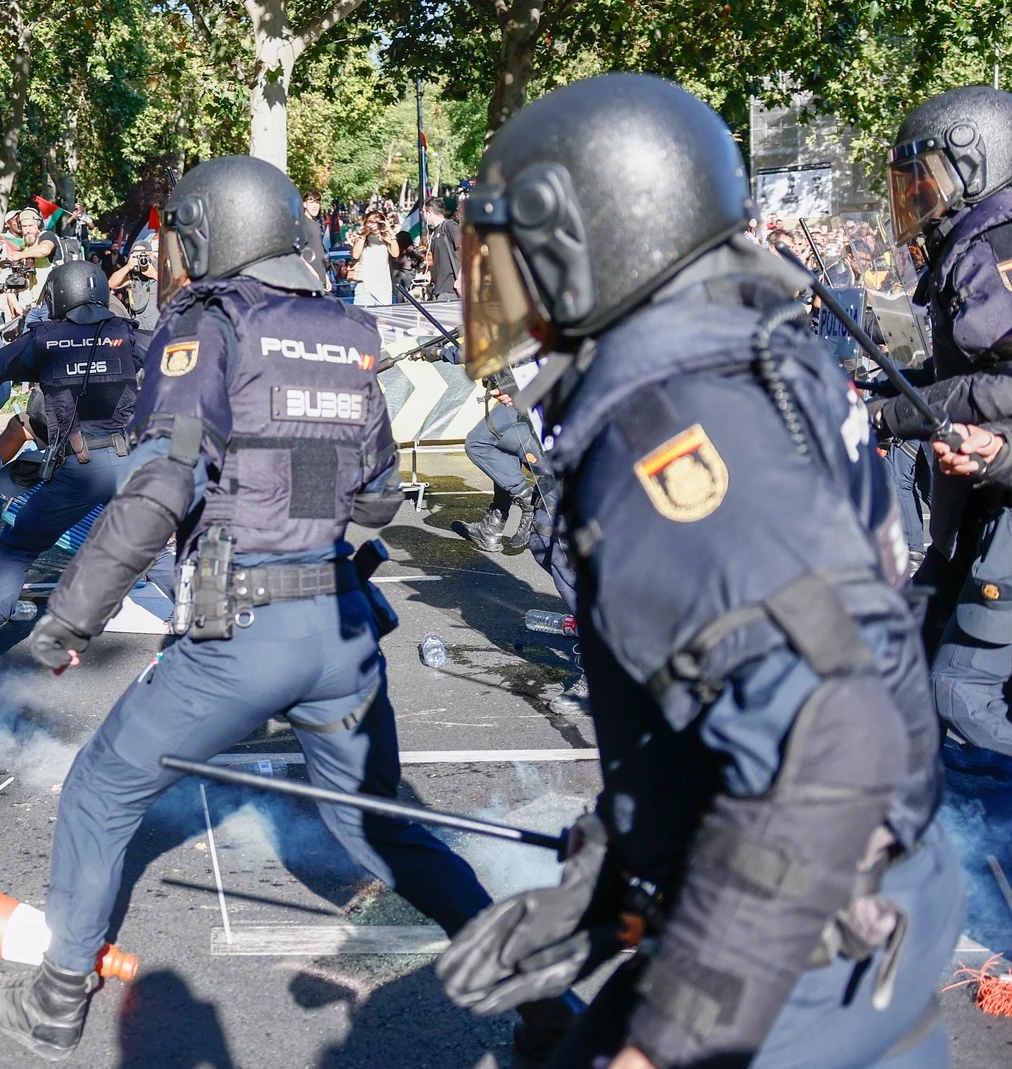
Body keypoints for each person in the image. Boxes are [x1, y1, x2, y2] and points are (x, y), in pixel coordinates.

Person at [0, 158, 571, 1059]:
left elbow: (162, 483)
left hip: (242, 627)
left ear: (207, 234)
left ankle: (54, 1001)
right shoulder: (346, 329)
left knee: (100, 787)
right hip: (341, 625)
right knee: (383, 828)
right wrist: (291, 501)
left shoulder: (206, 325)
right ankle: (552, 1009)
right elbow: (373, 498)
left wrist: (72, 616)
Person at [436, 73, 960, 1069]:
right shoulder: (758, 358)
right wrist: (620, 873)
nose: (507, 297)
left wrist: (668, 1040)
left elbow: (833, 737)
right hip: (866, 909)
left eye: (519, 263)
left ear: (596, 245)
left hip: (796, 946)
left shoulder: (670, 429)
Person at [869, 85, 1012, 779]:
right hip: (976, 513)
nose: (916, 198)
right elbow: (969, 365)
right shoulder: (972, 247)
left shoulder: (998, 247)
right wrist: (885, 388)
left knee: (962, 692)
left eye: (926, 178)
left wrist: (898, 412)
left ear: (975, 160)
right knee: (906, 669)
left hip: (1003, 509)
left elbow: (1002, 387)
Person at [0, 261, 141, 672]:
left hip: (79, 470)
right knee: (163, 550)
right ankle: (223, 643)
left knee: (18, 550)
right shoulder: (128, 334)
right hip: (132, 464)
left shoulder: (44, 339)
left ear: (60, 295)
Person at [452, 373, 542, 553]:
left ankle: (528, 500)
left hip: (523, 385)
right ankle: (493, 525)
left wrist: (441, 352)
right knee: (502, 446)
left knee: (477, 443)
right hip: (525, 383)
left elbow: (479, 347)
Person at [106, 236, 160, 345]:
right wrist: (128, 266)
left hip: (157, 330)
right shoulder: (133, 274)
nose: (141, 259)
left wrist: (154, 274)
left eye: (144, 255)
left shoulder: (161, 268)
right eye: (137, 256)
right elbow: (111, 284)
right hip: (138, 330)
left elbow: (176, 287)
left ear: (152, 254)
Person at [350, 210, 401, 307]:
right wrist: (365, 233)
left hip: (383, 286)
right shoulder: (362, 238)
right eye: (371, 222)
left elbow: (395, 253)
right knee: (363, 319)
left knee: (383, 320)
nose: (374, 225)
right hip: (364, 286)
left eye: (377, 222)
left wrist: (389, 231)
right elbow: (355, 255)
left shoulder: (385, 238)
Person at [424, 198, 461, 299]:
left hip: (452, 288)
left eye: (423, 212)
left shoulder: (449, 226)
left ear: (429, 212)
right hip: (440, 289)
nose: (423, 216)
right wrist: (430, 277)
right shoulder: (434, 233)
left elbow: (467, 251)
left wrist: (460, 278)